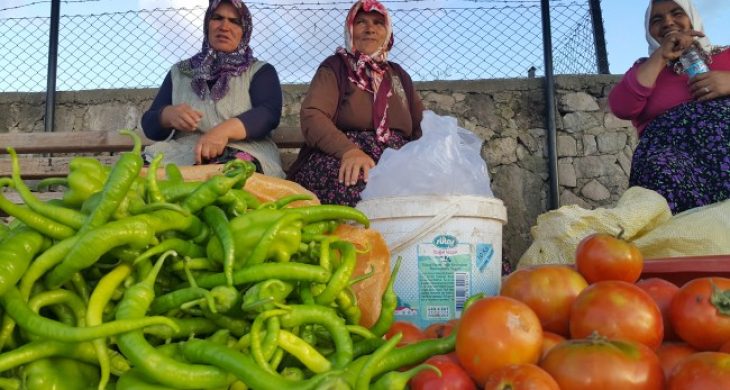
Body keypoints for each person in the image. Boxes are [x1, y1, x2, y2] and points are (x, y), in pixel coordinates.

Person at [286, 0, 424, 207]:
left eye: (378, 23)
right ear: (350, 28)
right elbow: (313, 116)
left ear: (387, 32)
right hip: (342, 152)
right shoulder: (336, 67)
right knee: (355, 188)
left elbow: (423, 124)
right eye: (361, 22)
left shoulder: (399, 75)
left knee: (432, 188)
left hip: (397, 157)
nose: (370, 29)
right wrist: (349, 151)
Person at [608, 0, 730, 214]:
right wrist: (661, 56)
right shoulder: (646, 70)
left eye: (677, 13)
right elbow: (622, 107)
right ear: (649, 31)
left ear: (692, 18)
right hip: (672, 162)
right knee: (661, 169)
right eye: (657, 20)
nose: (667, 22)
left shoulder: (725, 56)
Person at [141, 0, 285, 178]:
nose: (224, 26)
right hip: (181, 155)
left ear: (245, 31)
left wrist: (223, 131)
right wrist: (167, 115)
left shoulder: (260, 71)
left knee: (226, 176)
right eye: (217, 18)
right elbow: (150, 125)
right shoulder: (180, 72)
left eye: (235, 21)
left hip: (243, 151)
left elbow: (268, 114)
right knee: (136, 176)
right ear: (207, 23)